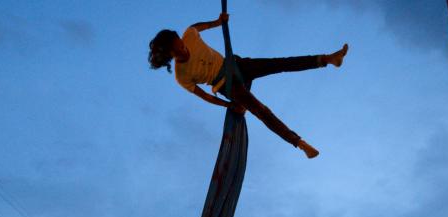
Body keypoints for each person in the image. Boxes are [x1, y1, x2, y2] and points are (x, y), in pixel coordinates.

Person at [148, 14, 348, 159]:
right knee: (260, 110)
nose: (184, 50)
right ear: (170, 55)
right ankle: (299, 143)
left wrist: (219, 22)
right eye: (178, 51)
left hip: (236, 65)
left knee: (280, 64)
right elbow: (206, 97)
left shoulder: (189, 35)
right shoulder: (181, 76)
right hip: (226, 85)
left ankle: (327, 59)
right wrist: (230, 106)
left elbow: (200, 26)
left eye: (181, 44)